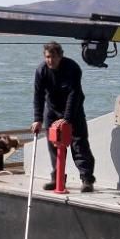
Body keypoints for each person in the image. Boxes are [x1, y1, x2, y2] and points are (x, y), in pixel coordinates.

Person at [31, 41, 96, 193]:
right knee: (54, 145)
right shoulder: (41, 70)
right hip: (52, 110)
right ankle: (57, 179)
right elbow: (38, 95)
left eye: (53, 57)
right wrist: (37, 119)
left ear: (60, 56)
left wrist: (67, 118)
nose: (50, 60)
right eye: (47, 57)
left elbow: (74, 94)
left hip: (73, 110)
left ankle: (87, 179)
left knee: (79, 144)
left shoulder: (72, 68)